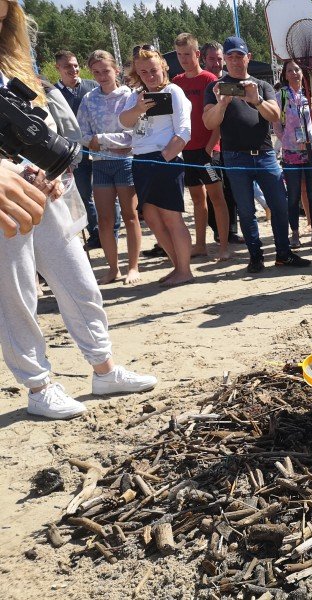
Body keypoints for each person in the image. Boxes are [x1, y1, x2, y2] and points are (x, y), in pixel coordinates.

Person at [0, 0, 157, 419]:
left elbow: (32, 127)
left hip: (40, 186)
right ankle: (38, 386)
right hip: (4, 196)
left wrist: (46, 169)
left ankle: (103, 368)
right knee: (18, 292)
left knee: (78, 277)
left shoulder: (11, 63)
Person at [203, 36, 310, 273]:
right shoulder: (216, 88)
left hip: (264, 154)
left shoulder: (262, 86)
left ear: (248, 58)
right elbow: (209, 123)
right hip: (235, 157)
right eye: (229, 56)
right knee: (246, 210)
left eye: (239, 56)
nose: (234, 61)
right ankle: (255, 256)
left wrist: (256, 100)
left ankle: (283, 253)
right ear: (224, 60)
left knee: (279, 205)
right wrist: (222, 103)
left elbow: (274, 116)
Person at [119, 46, 194, 287]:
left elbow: (184, 131)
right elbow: (124, 122)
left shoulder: (174, 91)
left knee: (172, 218)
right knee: (151, 217)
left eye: (153, 70)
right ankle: (177, 267)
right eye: (144, 72)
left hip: (165, 160)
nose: (150, 76)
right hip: (141, 161)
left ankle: (185, 270)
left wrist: (165, 157)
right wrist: (139, 108)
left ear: (163, 67)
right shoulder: (136, 95)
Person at [76, 50, 141, 285]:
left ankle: (133, 266)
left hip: (125, 163)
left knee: (130, 215)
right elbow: (82, 134)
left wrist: (101, 139)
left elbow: (133, 136)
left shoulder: (129, 96)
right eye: (96, 72)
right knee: (104, 219)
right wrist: (97, 141)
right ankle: (112, 268)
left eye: (106, 71)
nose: (102, 76)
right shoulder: (88, 99)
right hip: (101, 164)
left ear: (116, 70)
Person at [172, 33, 230, 261]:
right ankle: (200, 245)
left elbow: (219, 116)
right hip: (186, 149)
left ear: (197, 54)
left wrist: (210, 144)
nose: (184, 59)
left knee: (217, 197)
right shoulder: (176, 82)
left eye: (187, 54)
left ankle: (224, 246)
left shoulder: (209, 80)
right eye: (179, 55)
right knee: (197, 198)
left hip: (207, 150)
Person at [53, 49, 103, 249]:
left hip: (98, 149)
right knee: (83, 194)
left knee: (103, 193)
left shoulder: (92, 87)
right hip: (73, 153)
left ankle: (109, 229)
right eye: (67, 66)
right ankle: (95, 232)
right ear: (58, 68)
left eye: (75, 65)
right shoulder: (52, 93)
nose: (73, 69)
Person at [274, 59, 312, 248]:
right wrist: (287, 140)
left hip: (310, 151)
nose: (294, 73)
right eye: (290, 70)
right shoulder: (282, 96)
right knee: (293, 195)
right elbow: (276, 124)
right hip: (291, 153)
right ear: (285, 74)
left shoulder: (309, 93)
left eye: (297, 69)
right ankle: (294, 233)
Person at [200, 41, 245, 246]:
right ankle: (219, 231)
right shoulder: (207, 84)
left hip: (221, 149)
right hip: (203, 150)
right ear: (203, 58)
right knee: (210, 194)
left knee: (229, 191)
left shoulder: (231, 82)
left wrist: (211, 147)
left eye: (219, 59)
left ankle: (229, 232)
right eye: (212, 59)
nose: (217, 63)